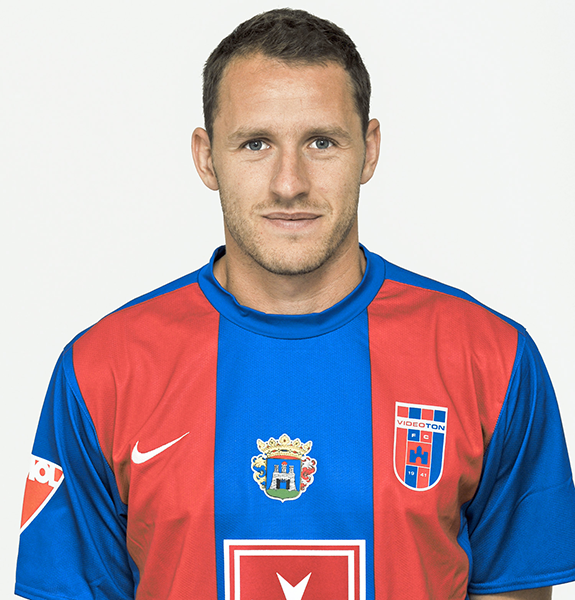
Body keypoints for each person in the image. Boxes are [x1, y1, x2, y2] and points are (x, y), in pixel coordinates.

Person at [15, 8, 575, 600]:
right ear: (206, 157)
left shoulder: (489, 359)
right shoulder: (103, 371)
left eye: (321, 142)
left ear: (370, 150)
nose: (289, 183)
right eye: (255, 144)